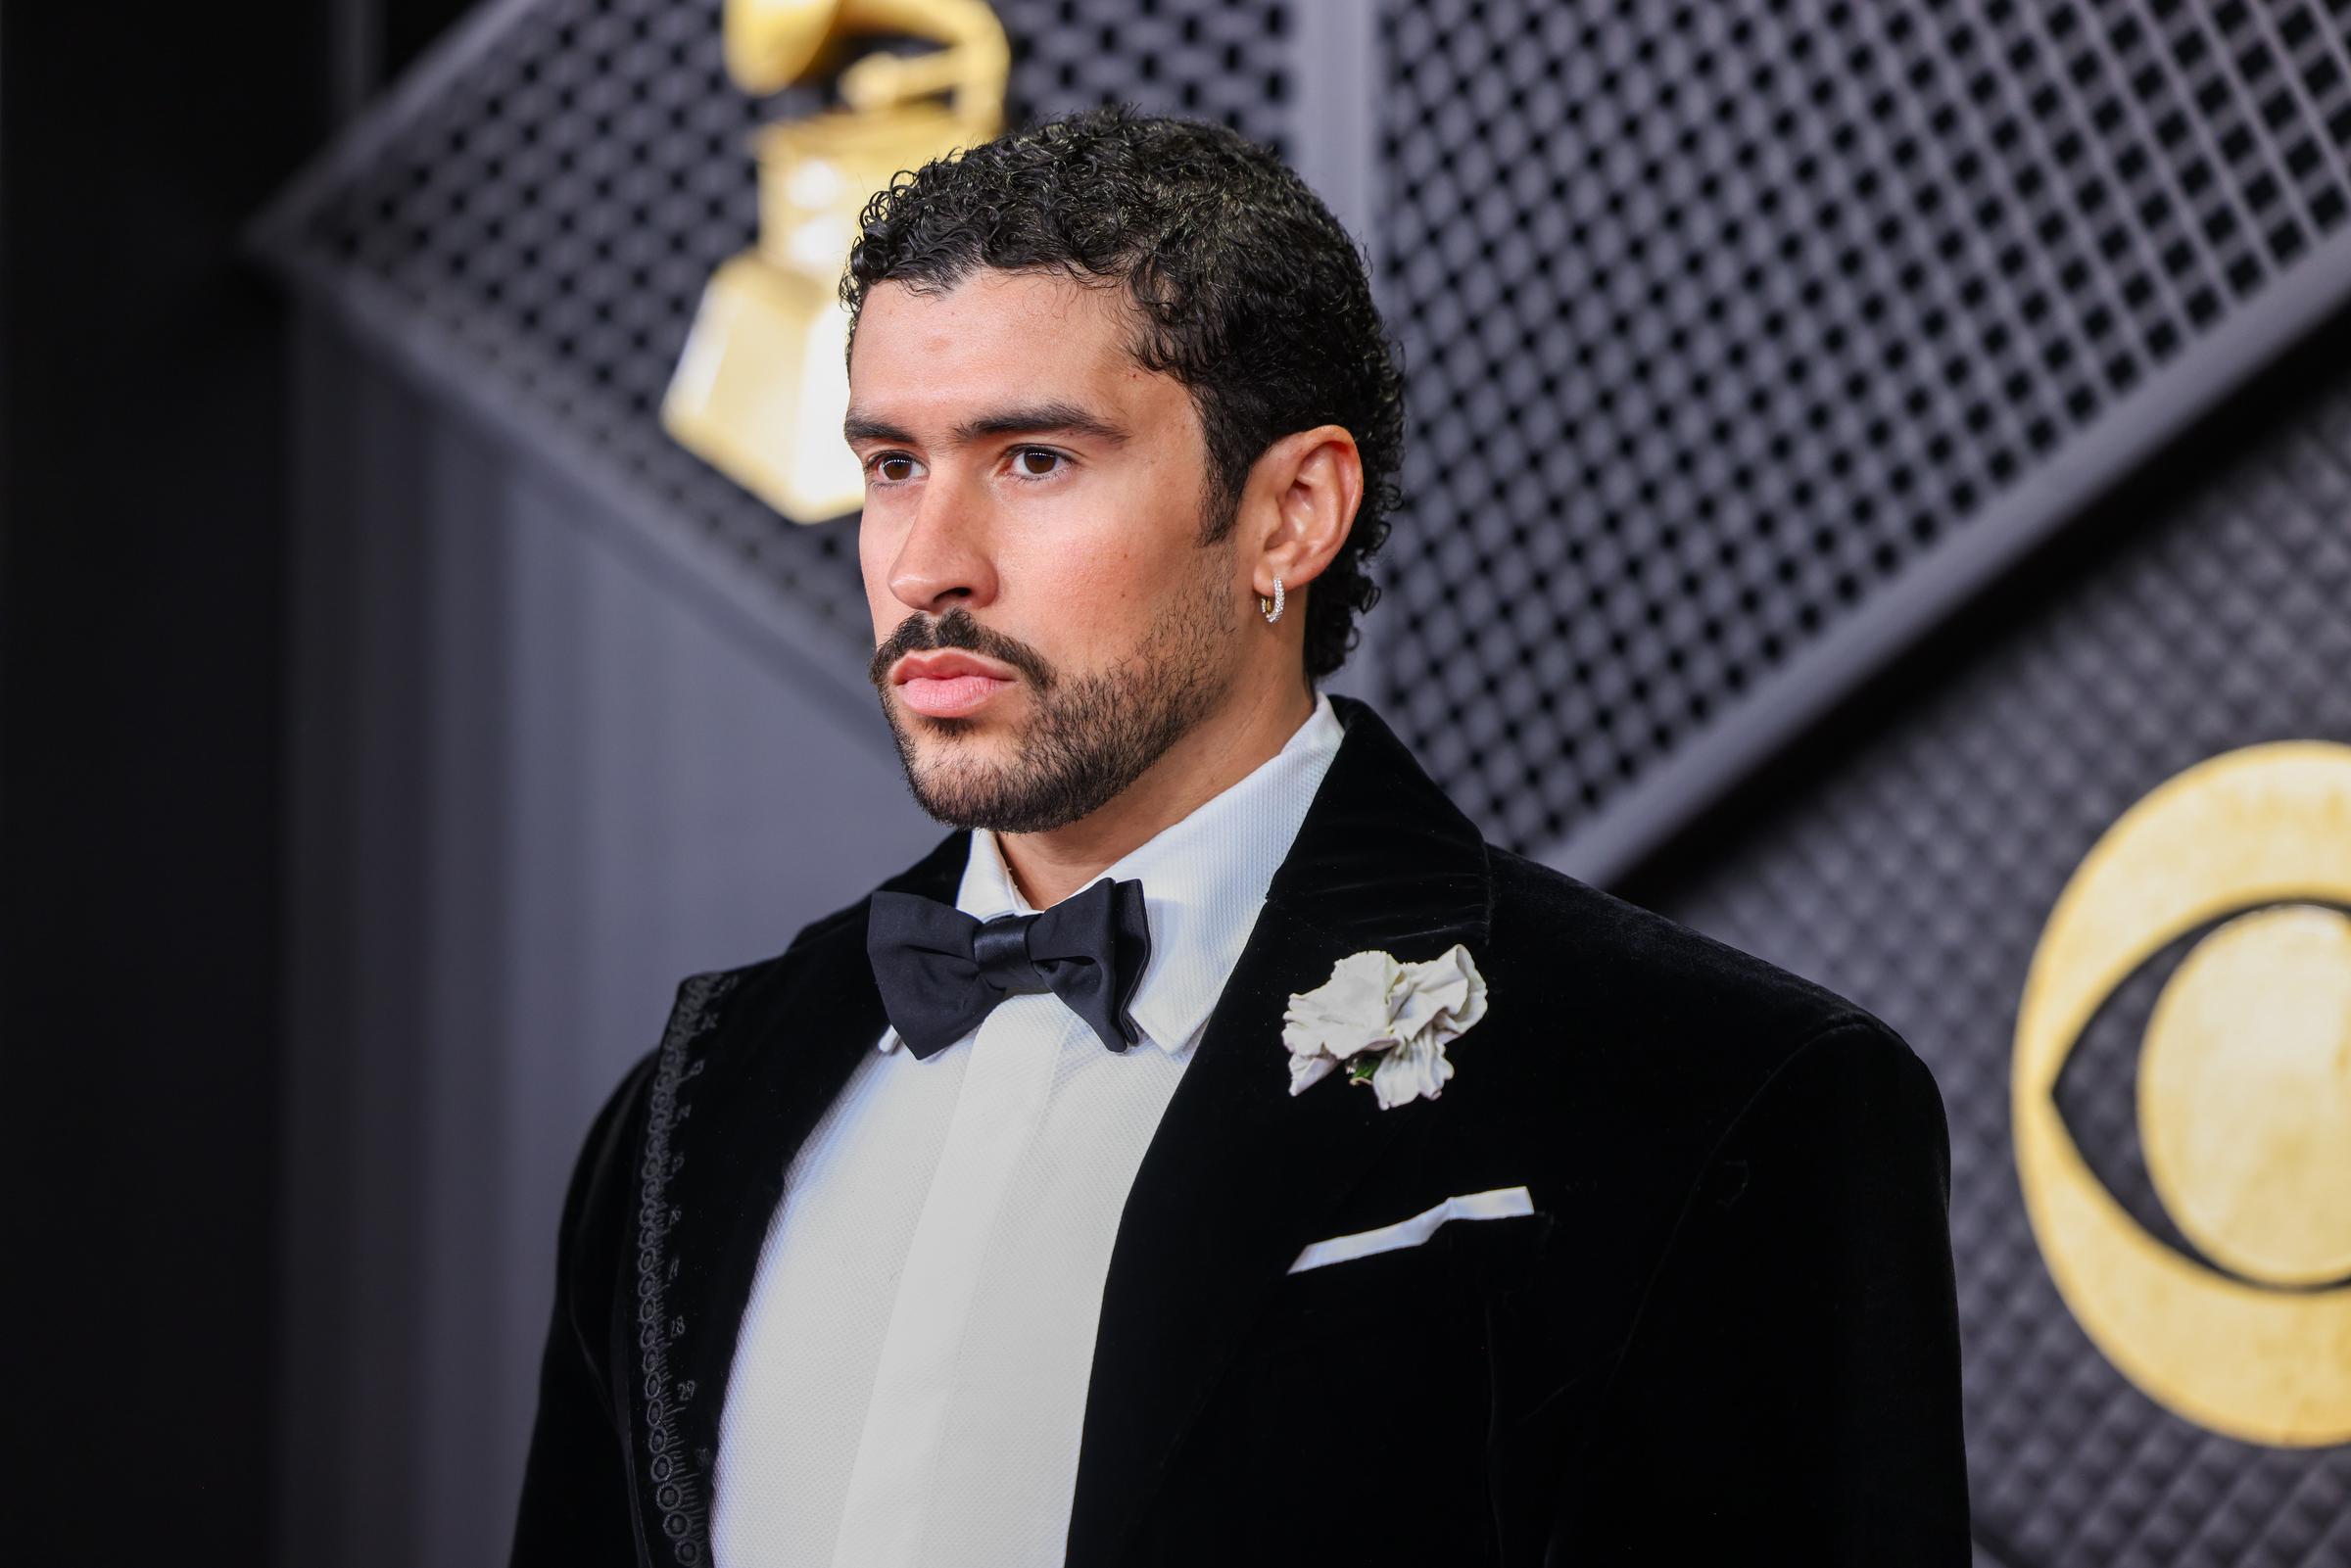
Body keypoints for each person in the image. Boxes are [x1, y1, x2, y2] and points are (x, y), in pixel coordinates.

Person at [508, 107, 1969, 1567]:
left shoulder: (1719, 1096)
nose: (926, 563)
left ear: (1291, 513)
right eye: (893, 463)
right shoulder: (684, 1114)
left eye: (1031, 459)